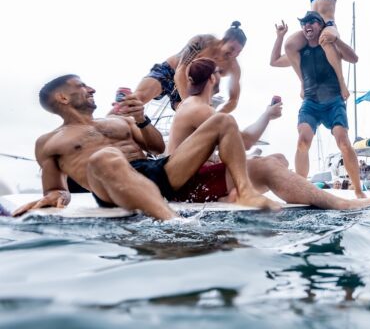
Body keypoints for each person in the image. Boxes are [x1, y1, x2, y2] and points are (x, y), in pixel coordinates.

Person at [12, 75, 279, 221]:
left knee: (222, 120)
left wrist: (141, 119)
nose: (91, 88)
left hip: (156, 171)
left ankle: (245, 192)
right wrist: (57, 196)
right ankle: (175, 225)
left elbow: (157, 146)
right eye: (81, 86)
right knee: (106, 157)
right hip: (111, 186)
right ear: (62, 97)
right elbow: (56, 188)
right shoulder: (49, 141)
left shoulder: (119, 120)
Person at [167, 59, 370, 210]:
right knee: (268, 167)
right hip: (189, 187)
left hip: (193, 180)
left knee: (278, 159)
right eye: (218, 74)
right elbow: (243, 142)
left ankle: (230, 196)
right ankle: (341, 204)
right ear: (212, 79)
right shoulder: (198, 108)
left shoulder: (192, 106)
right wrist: (267, 115)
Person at [271, 14, 365, 198]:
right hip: (311, 102)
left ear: (321, 25)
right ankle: (300, 188)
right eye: (304, 23)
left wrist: (336, 39)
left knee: (343, 142)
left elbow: (354, 59)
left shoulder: (330, 46)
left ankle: (358, 190)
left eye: (311, 21)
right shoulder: (299, 52)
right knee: (303, 141)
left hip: (333, 101)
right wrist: (280, 36)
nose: (307, 25)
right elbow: (273, 61)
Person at [133, 22, 247, 111]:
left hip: (190, 87)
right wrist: (189, 103)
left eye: (238, 52)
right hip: (171, 72)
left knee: (197, 121)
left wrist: (218, 115)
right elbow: (180, 71)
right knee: (138, 99)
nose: (233, 55)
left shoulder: (233, 67)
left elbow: (233, 100)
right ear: (223, 41)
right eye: (232, 49)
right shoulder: (203, 42)